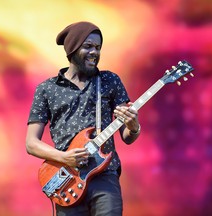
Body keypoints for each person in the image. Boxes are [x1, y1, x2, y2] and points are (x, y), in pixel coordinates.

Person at [26, 21, 140, 216]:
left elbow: (128, 137)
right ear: (72, 48)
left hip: (105, 176)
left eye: (97, 47)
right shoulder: (47, 89)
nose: (94, 52)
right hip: (67, 179)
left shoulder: (109, 81)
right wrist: (64, 157)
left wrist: (133, 125)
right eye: (88, 46)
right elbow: (31, 143)